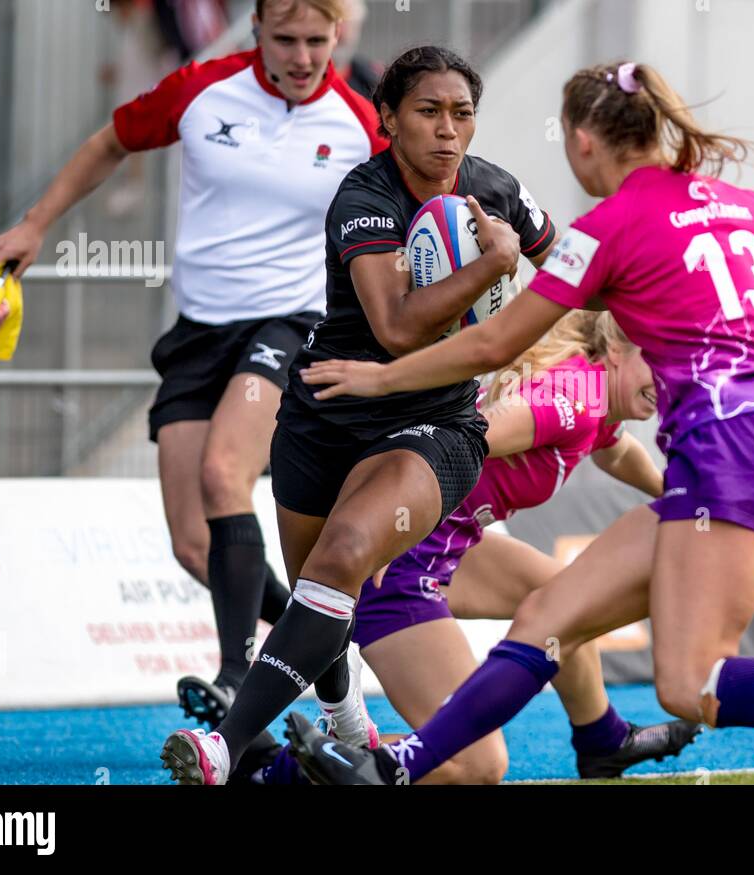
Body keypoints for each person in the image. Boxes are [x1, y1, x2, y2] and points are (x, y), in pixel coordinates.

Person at [287, 61, 754, 786]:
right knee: (549, 613)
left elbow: (493, 345)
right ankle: (403, 766)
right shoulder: (743, 206)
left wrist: (382, 376)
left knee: (689, 685)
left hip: (722, 458)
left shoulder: (604, 229)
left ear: (584, 141)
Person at [158, 45, 562, 785]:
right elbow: (397, 327)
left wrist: (542, 338)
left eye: (462, 114)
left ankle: (225, 744)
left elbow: (567, 266)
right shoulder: (363, 195)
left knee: (343, 551)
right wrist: (493, 268)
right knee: (320, 587)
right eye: (428, 112)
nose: (448, 131)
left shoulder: (497, 190)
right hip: (324, 411)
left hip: (437, 425)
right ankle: (347, 721)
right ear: (387, 119)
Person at [0, 0, 387, 727]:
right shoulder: (202, 90)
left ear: (339, 36)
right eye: (286, 39)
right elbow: (109, 141)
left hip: (292, 326)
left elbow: (419, 204)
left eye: (317, 41)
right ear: (257, 30)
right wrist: (37, 223)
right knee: (190, 540)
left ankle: (238, 675)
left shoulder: (360, 120)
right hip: (199, 333)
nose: (302, 58)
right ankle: (324, 643)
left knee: (222, 473)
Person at [261, 311, 699, 783]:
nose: (670, 381)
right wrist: (383, 522)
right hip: (403, 563)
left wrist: (675, 494)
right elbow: (468, 436)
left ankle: (604, 742)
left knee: (565, 597)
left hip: (440, 542)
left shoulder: (593, 396)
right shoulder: (572, 399)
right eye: (659, 362)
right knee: (477, 766)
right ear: (616, 350)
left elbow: (616, 449)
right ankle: (274, 770)